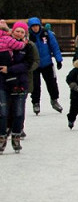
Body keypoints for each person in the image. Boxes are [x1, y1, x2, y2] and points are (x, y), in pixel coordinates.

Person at [0, 21, 36, 152]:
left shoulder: (27, 47)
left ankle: (16, 137)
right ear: (12, 31)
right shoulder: (3, 43)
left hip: (20, 83)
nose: (19, 34)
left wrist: (9, 69)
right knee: (2, 113)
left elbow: (28, 64)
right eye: (17, 31)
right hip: (3, 83)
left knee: (18, 112)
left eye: (22, 32)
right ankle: (2, 138)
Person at [26, 17, 64, 115]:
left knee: (52, 83)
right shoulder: (28, 36)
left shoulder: (47, 34)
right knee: (35, 85)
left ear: (39, 25)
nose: (35, 28)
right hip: (34, 65)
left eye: (36, 26)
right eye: (33, 26)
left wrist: (58, 60)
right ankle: (36, 103)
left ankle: (54, 100)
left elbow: (54, 46)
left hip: (47, 63)